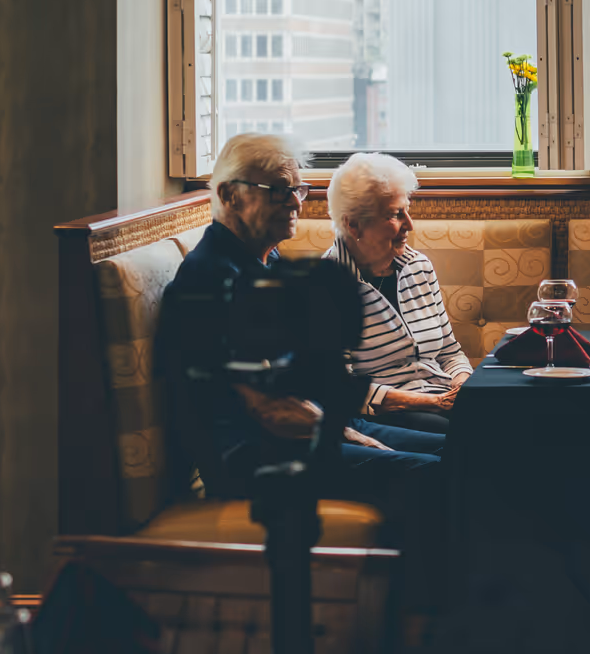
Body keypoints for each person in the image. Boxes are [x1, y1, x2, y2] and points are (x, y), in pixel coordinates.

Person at [156, 134, 443, 507]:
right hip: (262, 455)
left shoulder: (267, 262)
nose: (295, 201)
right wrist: (354, 436)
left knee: (464, 447)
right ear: (229, 195)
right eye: (277, 190)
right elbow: (269, 408)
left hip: (316, 425)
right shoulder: (211, 280)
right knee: (433, 472)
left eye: (297, 189)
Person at [322, 152, 471, 435]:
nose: (409, 225)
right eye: (394, 214)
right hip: (387, 414)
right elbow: (340, 386)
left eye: (407, 210)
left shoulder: (419, 267)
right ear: (353, 224)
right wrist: (433, 403)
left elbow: (450, 352)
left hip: (442, 398)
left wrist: (462, 385)